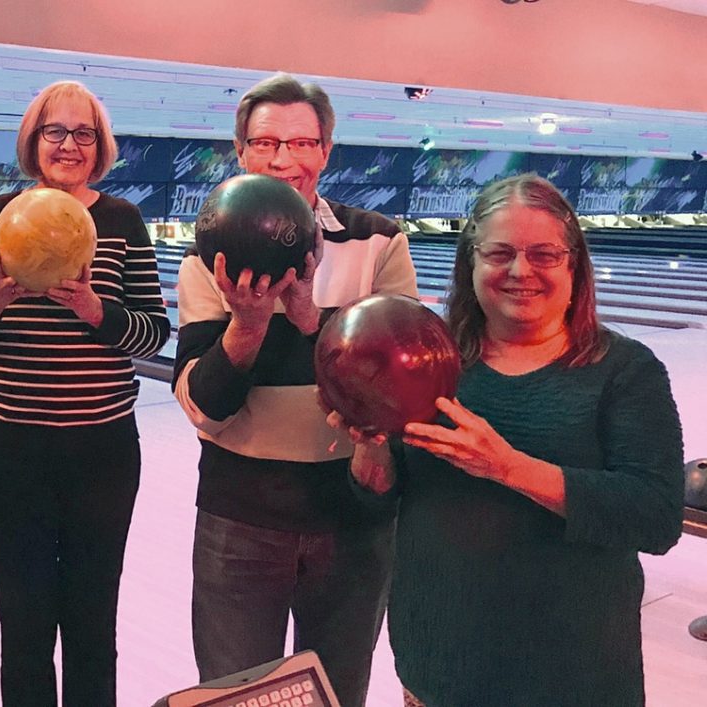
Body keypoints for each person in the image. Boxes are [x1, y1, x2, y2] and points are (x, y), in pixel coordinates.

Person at [335, 174, 685, 706]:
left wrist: (507, 467)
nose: (521, 271)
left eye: (544, 254)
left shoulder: (624, 371)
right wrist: (369, 445)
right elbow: (380, 495)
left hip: (574, 678)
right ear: (470, 260)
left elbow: (656, 517)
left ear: (574, 263)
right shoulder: (431, 360)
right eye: (499, 252)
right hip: (439, 670)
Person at [171, 73, 418, 706]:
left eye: (303, 143)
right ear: (241, 152)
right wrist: (246, 329)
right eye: (266, 143)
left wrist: (311, 320)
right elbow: (203, 406)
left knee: (340, 693)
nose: (285, 160)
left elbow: (399, 385)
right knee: (235, 695)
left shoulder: (379, 242)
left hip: (350, 513)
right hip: (240, 511)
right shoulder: (208, 255)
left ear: (326, 151)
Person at [0, 80, 170, 706]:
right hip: (10, 448)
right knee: (22, 620)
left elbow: (154, 334)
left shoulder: (122, 221)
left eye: (84, 133)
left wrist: (99, 311)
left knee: (93, 621)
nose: (69, 144)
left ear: (99, 146)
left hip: (101, 450)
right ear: (34, 140)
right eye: (55, 131)